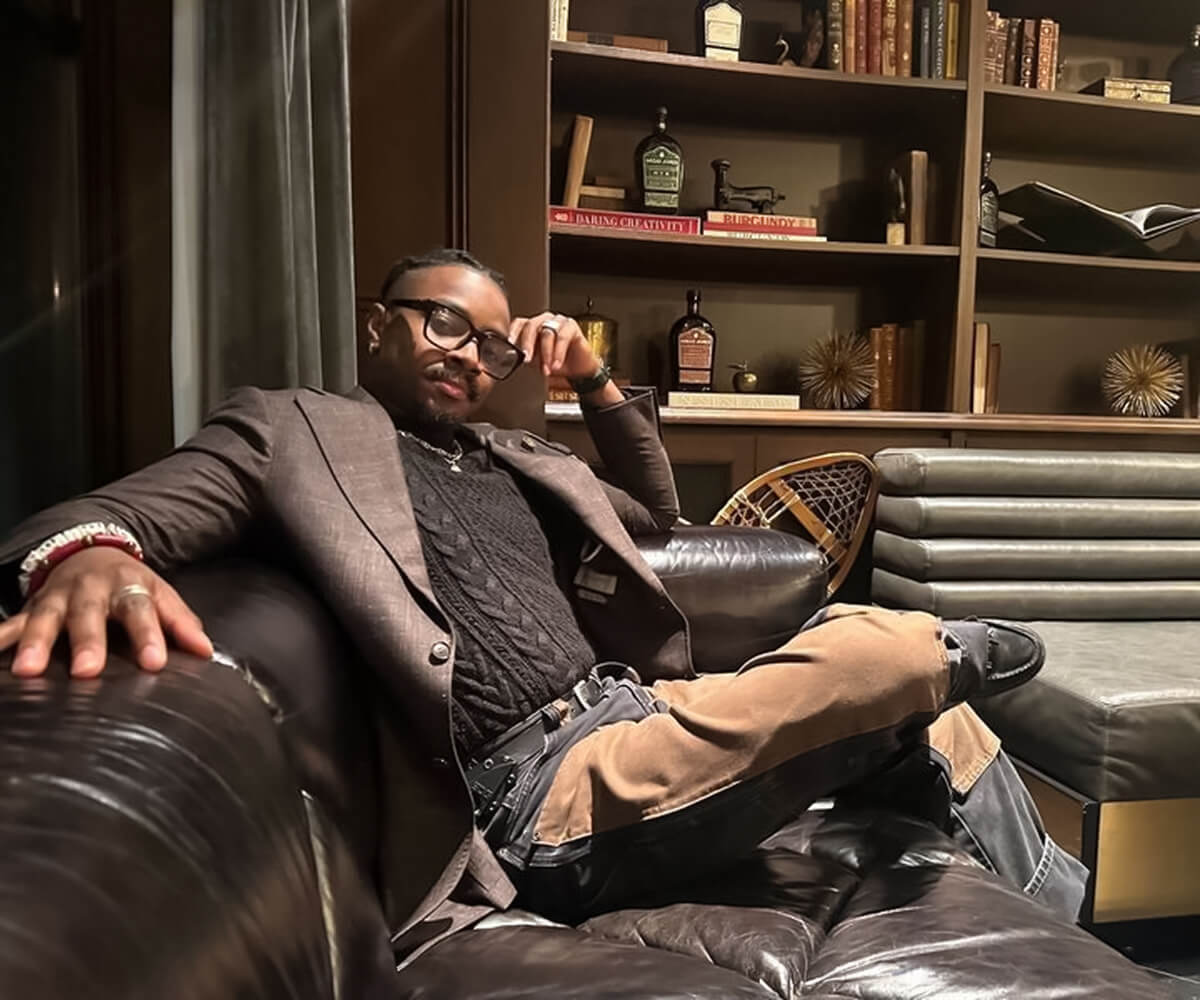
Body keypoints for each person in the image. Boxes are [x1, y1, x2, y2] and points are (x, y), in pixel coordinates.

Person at [0, 248, 1087, 965]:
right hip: (541, 788)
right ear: (380, 326)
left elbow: (659, 515)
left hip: (641, 711)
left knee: (937, 716)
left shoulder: (516, 456)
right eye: (443, 326)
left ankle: (1068, 922)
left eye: (493, 341)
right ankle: (919, 649)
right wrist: (88, 555)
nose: (471, 355)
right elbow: (110, 510)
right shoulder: (293, 429)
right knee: (872, 652)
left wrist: (597, 386)